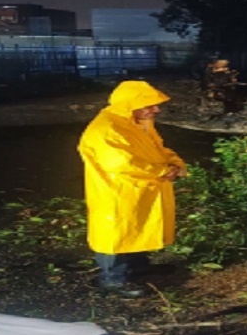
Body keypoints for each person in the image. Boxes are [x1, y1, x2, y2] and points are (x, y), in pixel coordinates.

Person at [78, 80, 187, 297]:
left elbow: (158, 147)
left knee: (139, 225)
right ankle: (113, 280)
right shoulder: (106, 129)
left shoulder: (136, 123)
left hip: (141, 186)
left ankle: (138, 267)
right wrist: (160, 172)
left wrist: (174, 164)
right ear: (128, 104)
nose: (156, 110)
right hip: (117, 191)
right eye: (149, 105)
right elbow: (120, 163)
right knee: (116, 233)